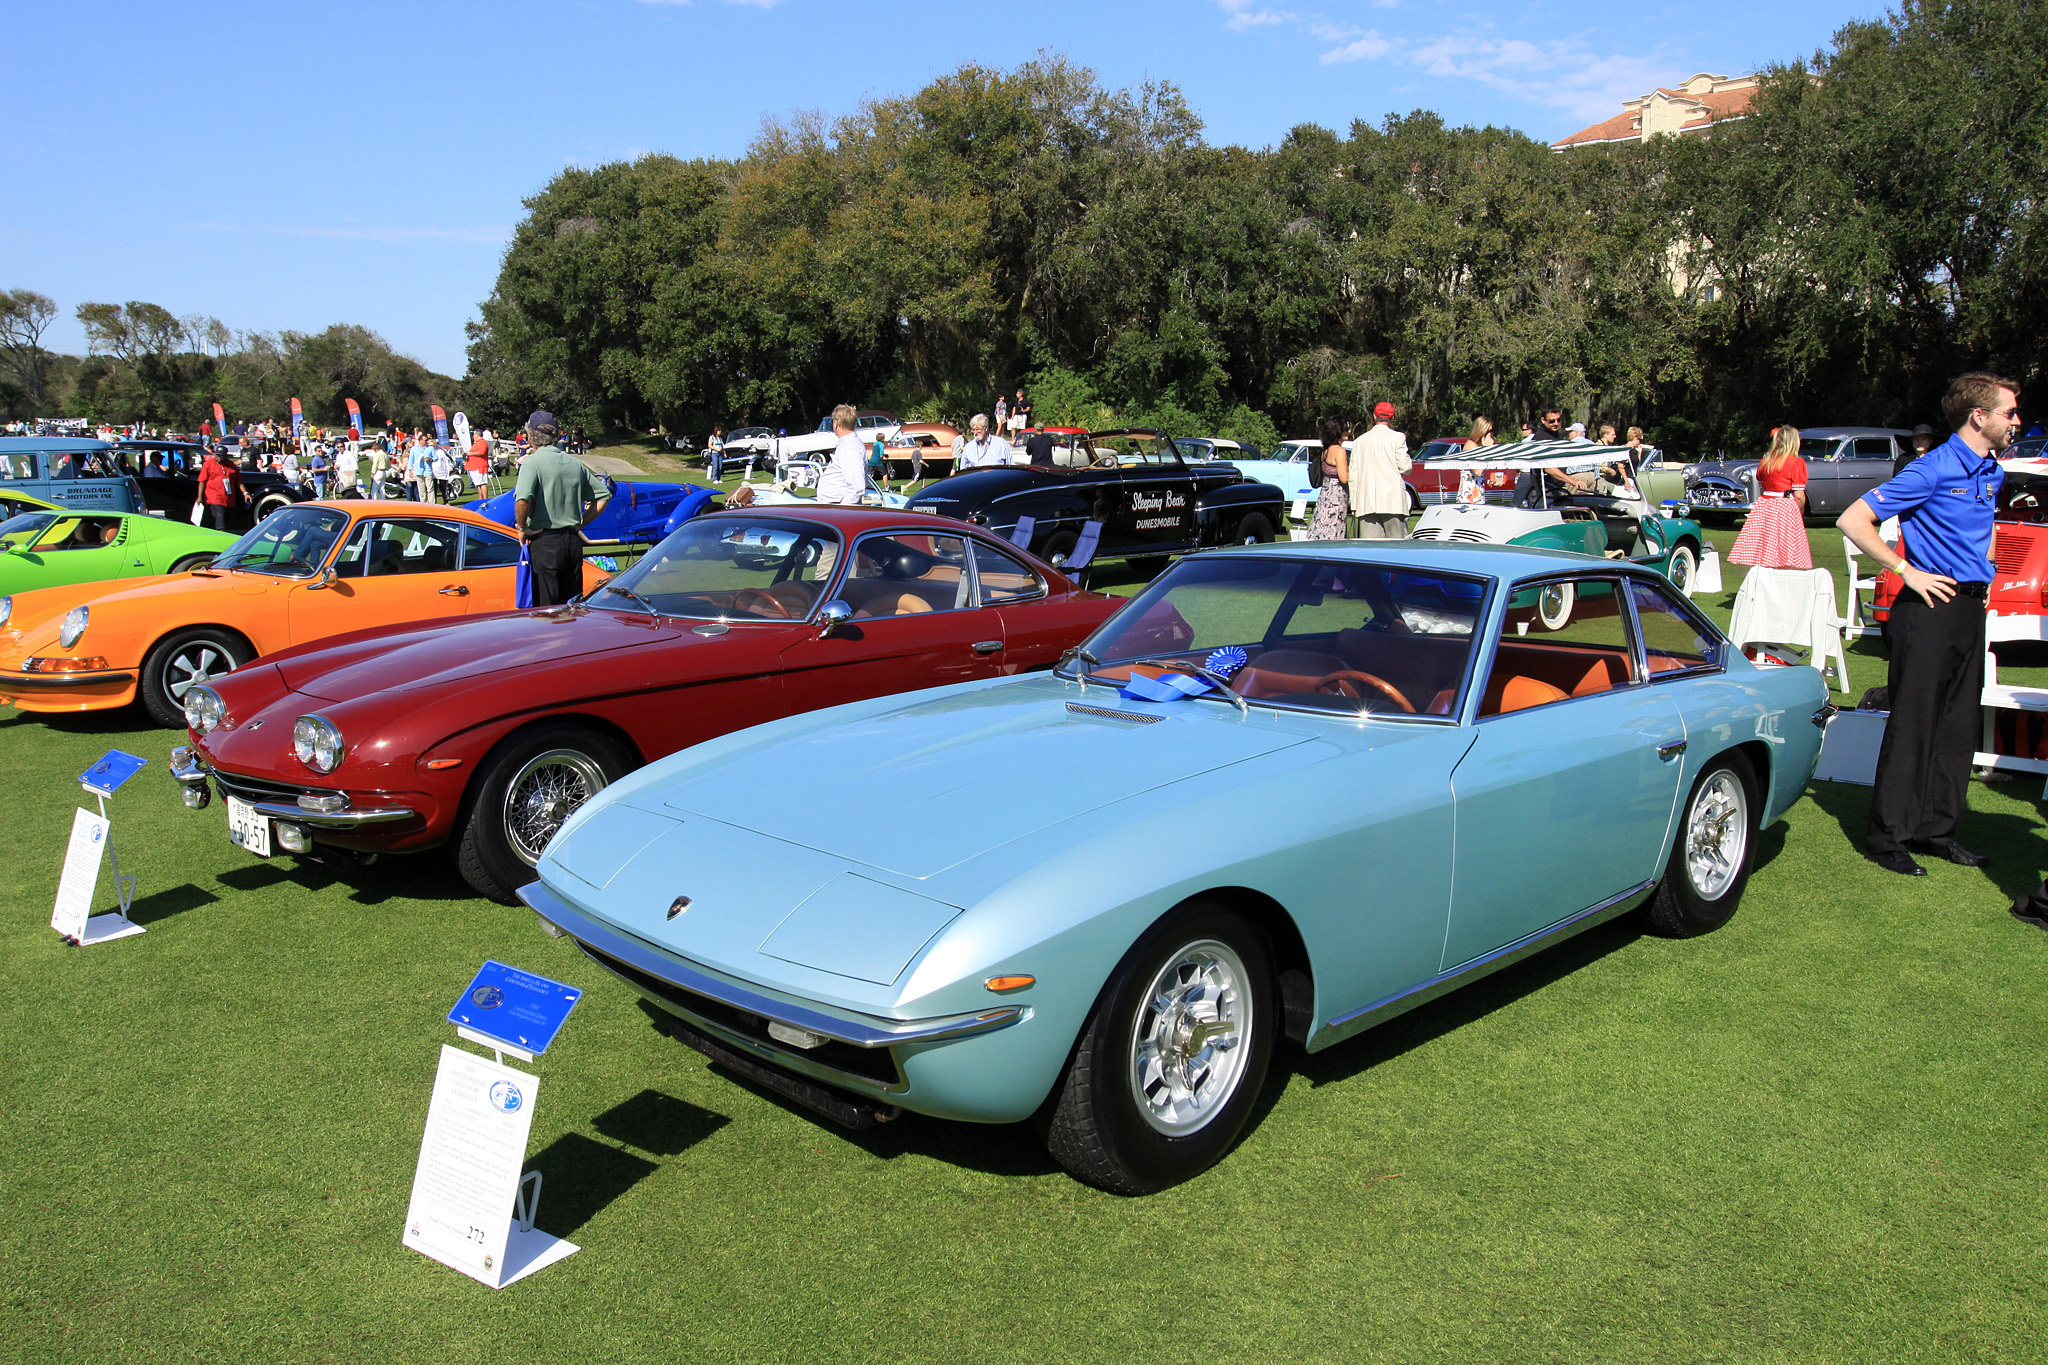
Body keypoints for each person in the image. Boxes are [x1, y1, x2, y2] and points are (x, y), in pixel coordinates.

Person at [1838, 372, 2016, 877]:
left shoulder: (1992, 471)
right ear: (1978, 416)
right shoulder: (1932, 468)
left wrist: (1987, 574)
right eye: (2009, 412)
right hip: (1928, 609)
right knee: (1914, 722)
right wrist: (1906, 571)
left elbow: (1986, 530)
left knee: (1958, 726)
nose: (2016, 421)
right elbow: (1853, 520)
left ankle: (1936, 830)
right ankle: (1888, 836)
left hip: (1968, 609)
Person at [513, 411, 609, 607]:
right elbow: (603, 495)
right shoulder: (573, 463)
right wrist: (580, 523)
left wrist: (522, 528)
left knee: (547, 611)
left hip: (545, 541)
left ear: (530, 436)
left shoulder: (532, 462)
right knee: (570, 608)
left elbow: (523, 499)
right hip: (572, 544)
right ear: (556, 436)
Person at [1728, 425, 1812, 570]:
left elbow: (1762, 487)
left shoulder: (1765, 462)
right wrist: (1801, 512)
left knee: (1764, 544)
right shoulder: (1796, 463)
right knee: (1786, 545)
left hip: (1765, 504)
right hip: (1785, 505)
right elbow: (1799, 495)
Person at [1349, 401, 1412, 539]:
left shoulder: (1360, 441)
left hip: (1366, 501)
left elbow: (1353, 475)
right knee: (1396, 548)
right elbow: (1405, 467)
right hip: (1392, 501)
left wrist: (1354, 503)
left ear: (1374, 416)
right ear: (1392, 417)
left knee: (1370, 550)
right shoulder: (1397, 438)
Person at [814, 404, 867, 504]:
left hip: (839, 508)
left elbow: (857, 488)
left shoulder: (850, 447)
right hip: (835, 507)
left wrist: (842, 510)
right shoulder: (847, 444)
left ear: (836, 423)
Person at [1307, 417, 1350, 540]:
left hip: (1324, 498)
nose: (1349, 431)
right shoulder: (1339, 451)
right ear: (1337, 431)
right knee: (1334, 533)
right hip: (1335, 501)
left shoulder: (1326, 450)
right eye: (1346, 429)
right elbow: (1344, 478)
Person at [197, 447, 243, 531]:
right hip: (214, 497)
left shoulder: (231, 465)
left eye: (220, 456)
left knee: (230, 521)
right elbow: (202, 481)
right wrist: (199, 497)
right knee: (219, 518)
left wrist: (245, 492)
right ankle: (221, 535)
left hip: (229, 498)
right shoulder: (208, 464)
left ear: (225, 456)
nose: (217, 457)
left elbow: (239, 481)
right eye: (216, 455)